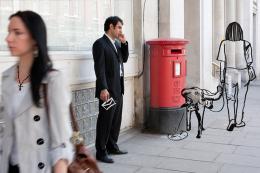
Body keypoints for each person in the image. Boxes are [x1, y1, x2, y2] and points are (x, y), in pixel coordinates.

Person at [0, 11, 73, 173]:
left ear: (34, 39)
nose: (8, 38)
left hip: (37, 168)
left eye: (17, 33)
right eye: (9, 32)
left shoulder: (52, 80)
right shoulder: (7, 77)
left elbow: (60, 143)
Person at [92, 16, 129, 163]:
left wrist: (124, 43)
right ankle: (101, 151)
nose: (121, 30)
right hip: (107, 91)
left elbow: (124, 59)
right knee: (105, 120)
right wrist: (103, 88)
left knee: (115, 120)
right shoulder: (100, 44)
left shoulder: (117, 44)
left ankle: (112, 146)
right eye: (119, 27)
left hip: (118, 89)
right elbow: (99, 68)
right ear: (111, 27)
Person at [216, 22, 256, 131]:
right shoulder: (246, 43)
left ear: (227, 32)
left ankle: (232, 120)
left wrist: (221, 79)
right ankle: (239, 121)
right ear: (241, 32)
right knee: (241, 99)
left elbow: (221, 63)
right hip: (243, 73)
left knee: (230, 98)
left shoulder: (224, 43)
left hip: (229, 73)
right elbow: (249, 61)